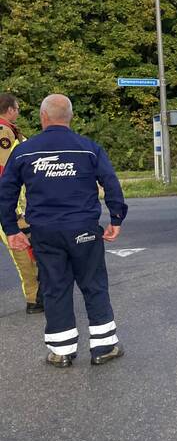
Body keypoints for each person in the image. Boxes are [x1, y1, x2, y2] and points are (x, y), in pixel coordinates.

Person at [0, 95, 127, 368]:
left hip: (45, 232)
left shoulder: (24, 151)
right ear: (69, 118)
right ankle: (104, 347)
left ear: (43, 117)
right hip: (84, 230)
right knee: (93, 285)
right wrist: (116, 218)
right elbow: (111, 184)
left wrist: (11, 229)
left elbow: (6, 193)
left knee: (55, 288)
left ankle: (61, 351)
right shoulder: (89, 149)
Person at [0, 93, 43, 314]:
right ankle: (34, 298)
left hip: (11, 203)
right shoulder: (3, 131)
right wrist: (13, 211)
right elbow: (3, 172)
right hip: (8, 205)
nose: (18, 111)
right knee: (24, 251)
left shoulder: (10, 130)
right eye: (17, 108)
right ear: (9, 109)